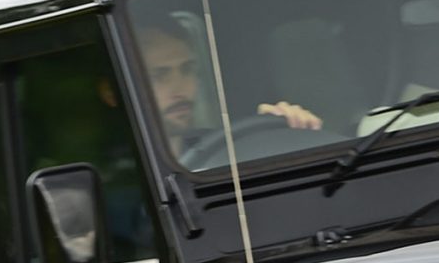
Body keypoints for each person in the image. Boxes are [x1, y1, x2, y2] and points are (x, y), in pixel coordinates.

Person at [135, 14, 324, 157]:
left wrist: (289, 133)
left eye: (187, 69)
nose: (180, 88)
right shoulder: (119, 178)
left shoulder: (222, 149)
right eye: (159, 75)